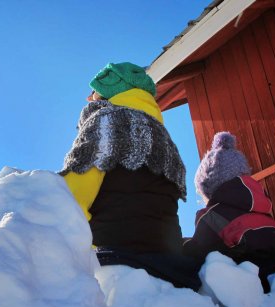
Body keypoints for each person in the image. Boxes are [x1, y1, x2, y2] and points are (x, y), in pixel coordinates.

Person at [60, 62, 200, 289]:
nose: (89, 99)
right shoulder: (165, 138)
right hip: (170, 266)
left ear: (109, 92)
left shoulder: (106, 121)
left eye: (94, 92)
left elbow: (74, 192)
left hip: (116, 261)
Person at [183, 131, 275, 293]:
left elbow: (197, 251)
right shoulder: (261, 208)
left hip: (255, 282)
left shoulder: (213, 216)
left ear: (209, 187)